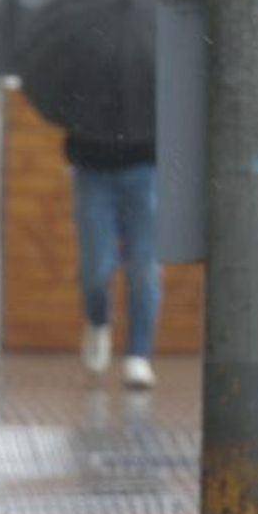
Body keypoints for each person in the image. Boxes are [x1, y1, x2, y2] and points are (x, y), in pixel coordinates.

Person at [68, 130, 160, 390]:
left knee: (144, 267)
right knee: (96, 268)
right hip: (92, 167)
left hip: (146, 166)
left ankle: (138, 355)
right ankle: (98, 320)